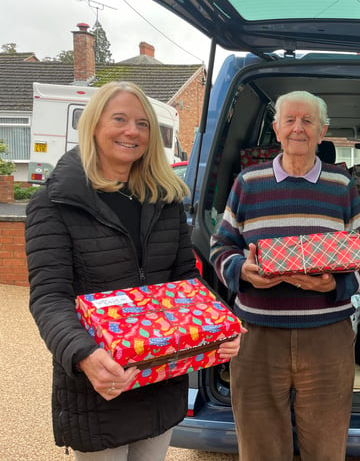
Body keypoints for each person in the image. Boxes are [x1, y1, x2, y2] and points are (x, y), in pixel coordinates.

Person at [25, 81, 243, 460]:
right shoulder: (55, 202)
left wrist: (218, 328)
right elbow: (49, 296)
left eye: (142, 124)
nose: (132, 132)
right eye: (120, 119)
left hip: (161, 375)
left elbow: (184, 279)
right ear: (94, 125)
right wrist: (84, 355)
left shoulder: (165, 198)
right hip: (101, 384)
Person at [209, 90, 360, 460]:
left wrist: (337, 283)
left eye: (308, 121)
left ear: (322, 131)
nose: (298, 128)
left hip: (326, 337)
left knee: (326, 446)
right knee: (259, 445)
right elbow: (220, 247)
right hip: (256, 335)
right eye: (290, 120)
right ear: (276, 128)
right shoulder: (248, 183)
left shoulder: (341, 187)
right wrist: (244, 272)